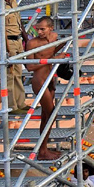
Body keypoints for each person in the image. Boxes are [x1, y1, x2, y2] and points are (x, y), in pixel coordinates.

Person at [24, 15, 65, 160]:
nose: (39, 32)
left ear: (50, 28)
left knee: (46, 116)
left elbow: (54, 50)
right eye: (37, 29)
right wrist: (54, 60)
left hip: (50, 79)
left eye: (42, 29)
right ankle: (42, 150)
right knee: (51, 114)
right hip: (39, 80)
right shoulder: (32, 43)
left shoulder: (54, 37)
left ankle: (43, 149)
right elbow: (29, 67)